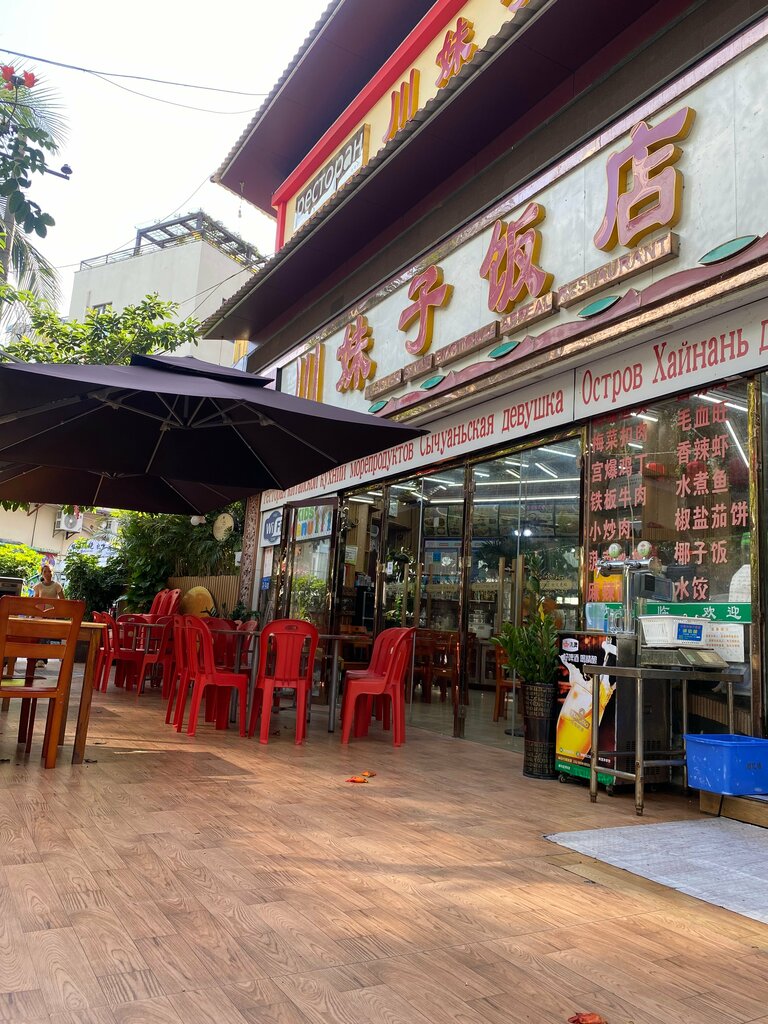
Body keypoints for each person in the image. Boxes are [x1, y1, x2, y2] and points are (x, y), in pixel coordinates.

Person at [32, 565, 65, 666]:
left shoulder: (57, 586)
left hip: (52, 614)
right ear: (42, 573)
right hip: (40, 615)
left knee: (46, 636)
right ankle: (38, 659)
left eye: (49, 571)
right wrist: (33, 615)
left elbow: (63, 601)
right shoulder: (38, 586)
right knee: (40, 636)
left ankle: (42, 659)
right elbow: (35, 601)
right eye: (45, 571)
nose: (48, 573)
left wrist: (57, 612)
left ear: (52, 573)